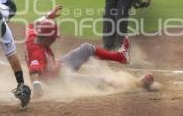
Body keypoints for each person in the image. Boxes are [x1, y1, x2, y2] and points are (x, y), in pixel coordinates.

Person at [25, 6, 155, 98]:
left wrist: (48, 16)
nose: (54, 40)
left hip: (60, 65)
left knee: (87, 48)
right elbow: (34, 71)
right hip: (61, 80)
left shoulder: (33, 33)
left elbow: (33, 24)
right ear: (49, 38)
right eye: (54, 38)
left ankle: (120, 56)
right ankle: (139, 84)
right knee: (99, 81)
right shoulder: (37, 52)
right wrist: (36, 86)